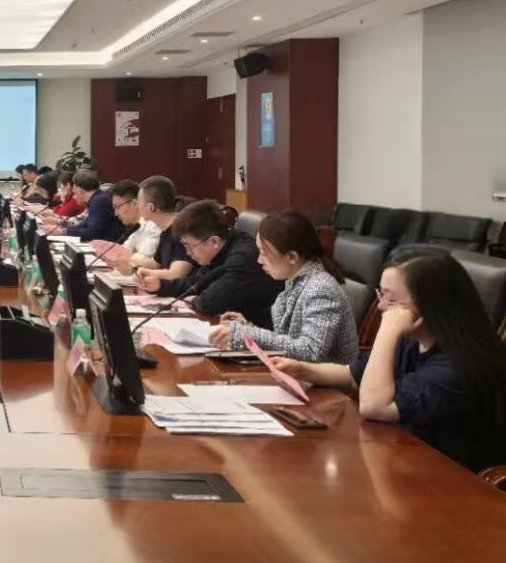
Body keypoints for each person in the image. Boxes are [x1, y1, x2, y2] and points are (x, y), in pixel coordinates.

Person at [271, 251, 506, 471]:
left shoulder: (455, 368)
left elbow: (374, 407)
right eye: (380, 294)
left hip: (452, 483)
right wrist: (303, 370)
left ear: (429, 306)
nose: (381, 306)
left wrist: (388, 330)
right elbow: (353, 375)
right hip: (405, 460)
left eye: (391, 299)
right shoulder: (415, 340)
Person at [206, 210, 358, 362]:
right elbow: (287, 342)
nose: (259, 260)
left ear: (291, 257)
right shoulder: (296, 283)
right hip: (296, 372)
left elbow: (311, 351)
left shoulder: (320, 288)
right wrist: (246, 328)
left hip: (323, 377)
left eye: (264, 253)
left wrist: (246, 334)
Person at [138, 199, 282, 327]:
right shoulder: (221, 248)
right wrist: (160, 285)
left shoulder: (243, 258)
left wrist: (195, 300)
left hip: (263, 335)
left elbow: (209, 303)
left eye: (189, 246)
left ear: (214, 241)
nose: (188, 253)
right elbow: (197, 283)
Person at [130, 175, 192, 279]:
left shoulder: (182, 230)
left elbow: (176, 274)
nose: (136, 207)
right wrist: (127, 260)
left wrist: (145, 272)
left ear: (151, 207)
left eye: (138, 202)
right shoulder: (165, 229)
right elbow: (156, 264)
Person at [46, 169, 123, 243]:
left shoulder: (99, 201)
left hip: (106, 246)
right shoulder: (97, 198)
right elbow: (84, 224)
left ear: (80, 189)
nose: (73, 190)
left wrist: (62, 231)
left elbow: (92, 232)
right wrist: (61, 230)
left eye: (74, 187)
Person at [102, 179, 160, 272]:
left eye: (117, 207)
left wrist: (121, 260)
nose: (116, 214)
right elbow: (123, 251)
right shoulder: (135, 227)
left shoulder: (153, 227)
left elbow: (143, 259)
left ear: (134, 203)